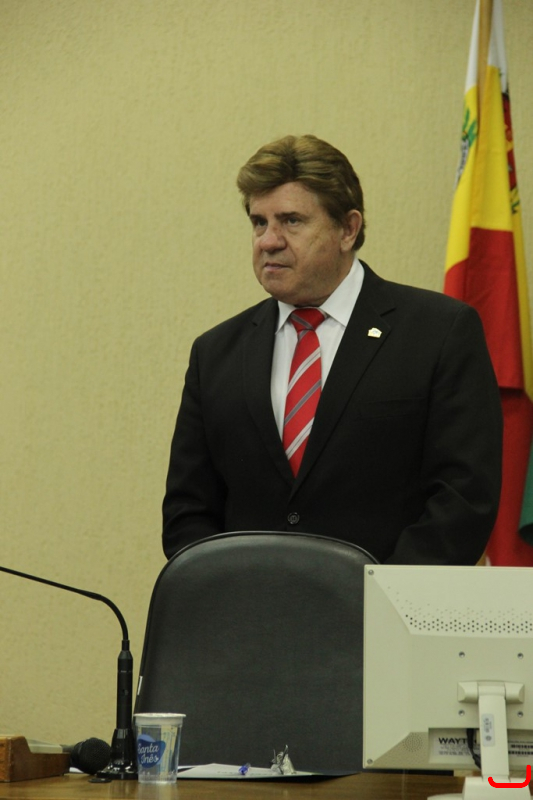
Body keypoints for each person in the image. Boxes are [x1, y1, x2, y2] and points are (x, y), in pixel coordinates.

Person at [162, 134, 502, 564]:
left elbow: (463, 497)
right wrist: (230, 591)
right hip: (250, 603)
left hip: (386, 602)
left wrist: (378, 597)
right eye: (259, 222)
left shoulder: (439, 333)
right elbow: (188, 511)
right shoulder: (215, 353)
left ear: (348, 229)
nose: (268, 241)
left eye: (291, 221)